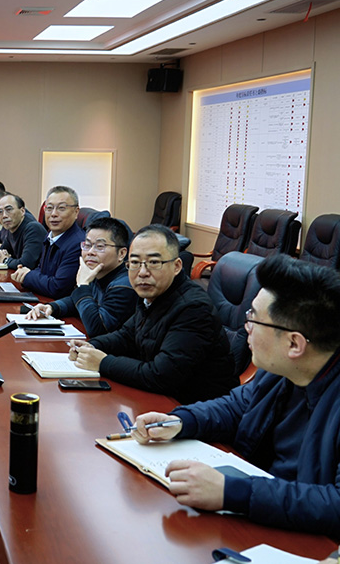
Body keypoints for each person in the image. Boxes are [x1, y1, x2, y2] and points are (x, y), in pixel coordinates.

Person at [132, 255, 340, 539]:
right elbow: (235, 407)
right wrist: (180, 421)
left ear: (294, 344)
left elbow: (335, 504)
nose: (246, 327)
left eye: (254, 318)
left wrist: (231, 491)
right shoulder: (279, 372)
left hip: (307, 541)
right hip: (261, 516)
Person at [69, 224, 237, 403]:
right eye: (135, 263)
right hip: (157, 398)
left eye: (154, 263)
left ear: (176, 266)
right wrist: (91, 346)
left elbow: (161, 375)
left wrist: (103, 362)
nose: (142, 273)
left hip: (192, 408)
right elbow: (126, 336)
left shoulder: (193, 308)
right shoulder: (153, 293)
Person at [27, 216, 136, 336]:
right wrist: (52, 307)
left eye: (100, 246)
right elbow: (75, 301)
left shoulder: (124, 285)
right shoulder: (98, 272)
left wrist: (83, 285)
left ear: (121, 254)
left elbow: (97, 328)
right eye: (87, 245)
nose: (90, 252)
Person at [12, 185, 85, 299]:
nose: (53, 214)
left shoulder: (78, 244)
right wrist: (25, 274)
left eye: (61, 208)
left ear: (76, 212)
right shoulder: (50, 236)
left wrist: (28, 276)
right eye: (49, 208)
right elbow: (41, 270)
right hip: (44, 300)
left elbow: (58, 288)